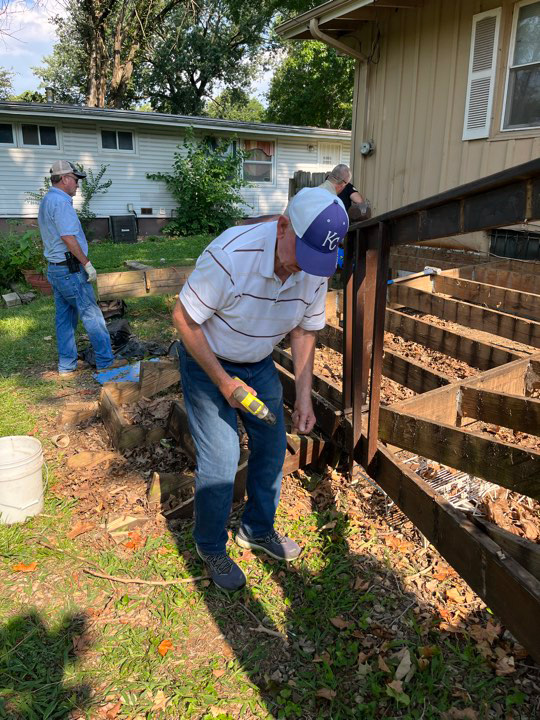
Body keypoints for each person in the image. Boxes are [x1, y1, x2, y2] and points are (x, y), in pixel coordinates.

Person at [173, 187, 349, 591]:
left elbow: (305, 331)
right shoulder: (231, 255)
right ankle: (210, 544)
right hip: (209, 363)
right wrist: (223, 382)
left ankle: (256, 528)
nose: (302, 271)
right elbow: (183, 318)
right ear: (282, 226)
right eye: (299, 257)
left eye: (316, 263)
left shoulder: (314, 268)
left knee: (272, 445)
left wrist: (303, 397)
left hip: (258, 362)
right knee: (222, 456)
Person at [38, 160, 118, 375]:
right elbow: (68, 237)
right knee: (92, 315)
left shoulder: (48, 200)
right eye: (75, 179)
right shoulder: (61, 203)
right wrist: (87, 263)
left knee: (65, 318)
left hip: (56, 269)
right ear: (64, 179)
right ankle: (106, 363)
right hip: (70, 269)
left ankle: (66, 364)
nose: (77, 184)